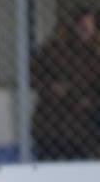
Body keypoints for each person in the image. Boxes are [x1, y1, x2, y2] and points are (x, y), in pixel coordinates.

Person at [30, 8, 100, 161]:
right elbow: (33, 76)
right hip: (52, 123)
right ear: (73, 26)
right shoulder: (54, 49)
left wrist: (92, 101)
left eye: (89, 26)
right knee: (49, 165)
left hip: (84, 126)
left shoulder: (96, 53)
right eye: (81, 26)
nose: (85, 31)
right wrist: (51, 86)